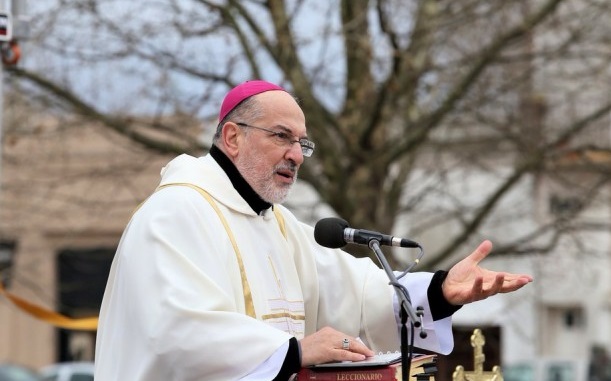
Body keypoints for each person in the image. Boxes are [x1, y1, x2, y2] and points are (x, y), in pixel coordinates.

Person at [94, 80, 533, 380]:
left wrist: (439, 292)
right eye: (282, 137)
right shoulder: (174, 212)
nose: (298, 155)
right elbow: (175, 332)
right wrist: (293, 351)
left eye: (302, 143)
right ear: (232, 137)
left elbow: (358, 294)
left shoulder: (280, 226)